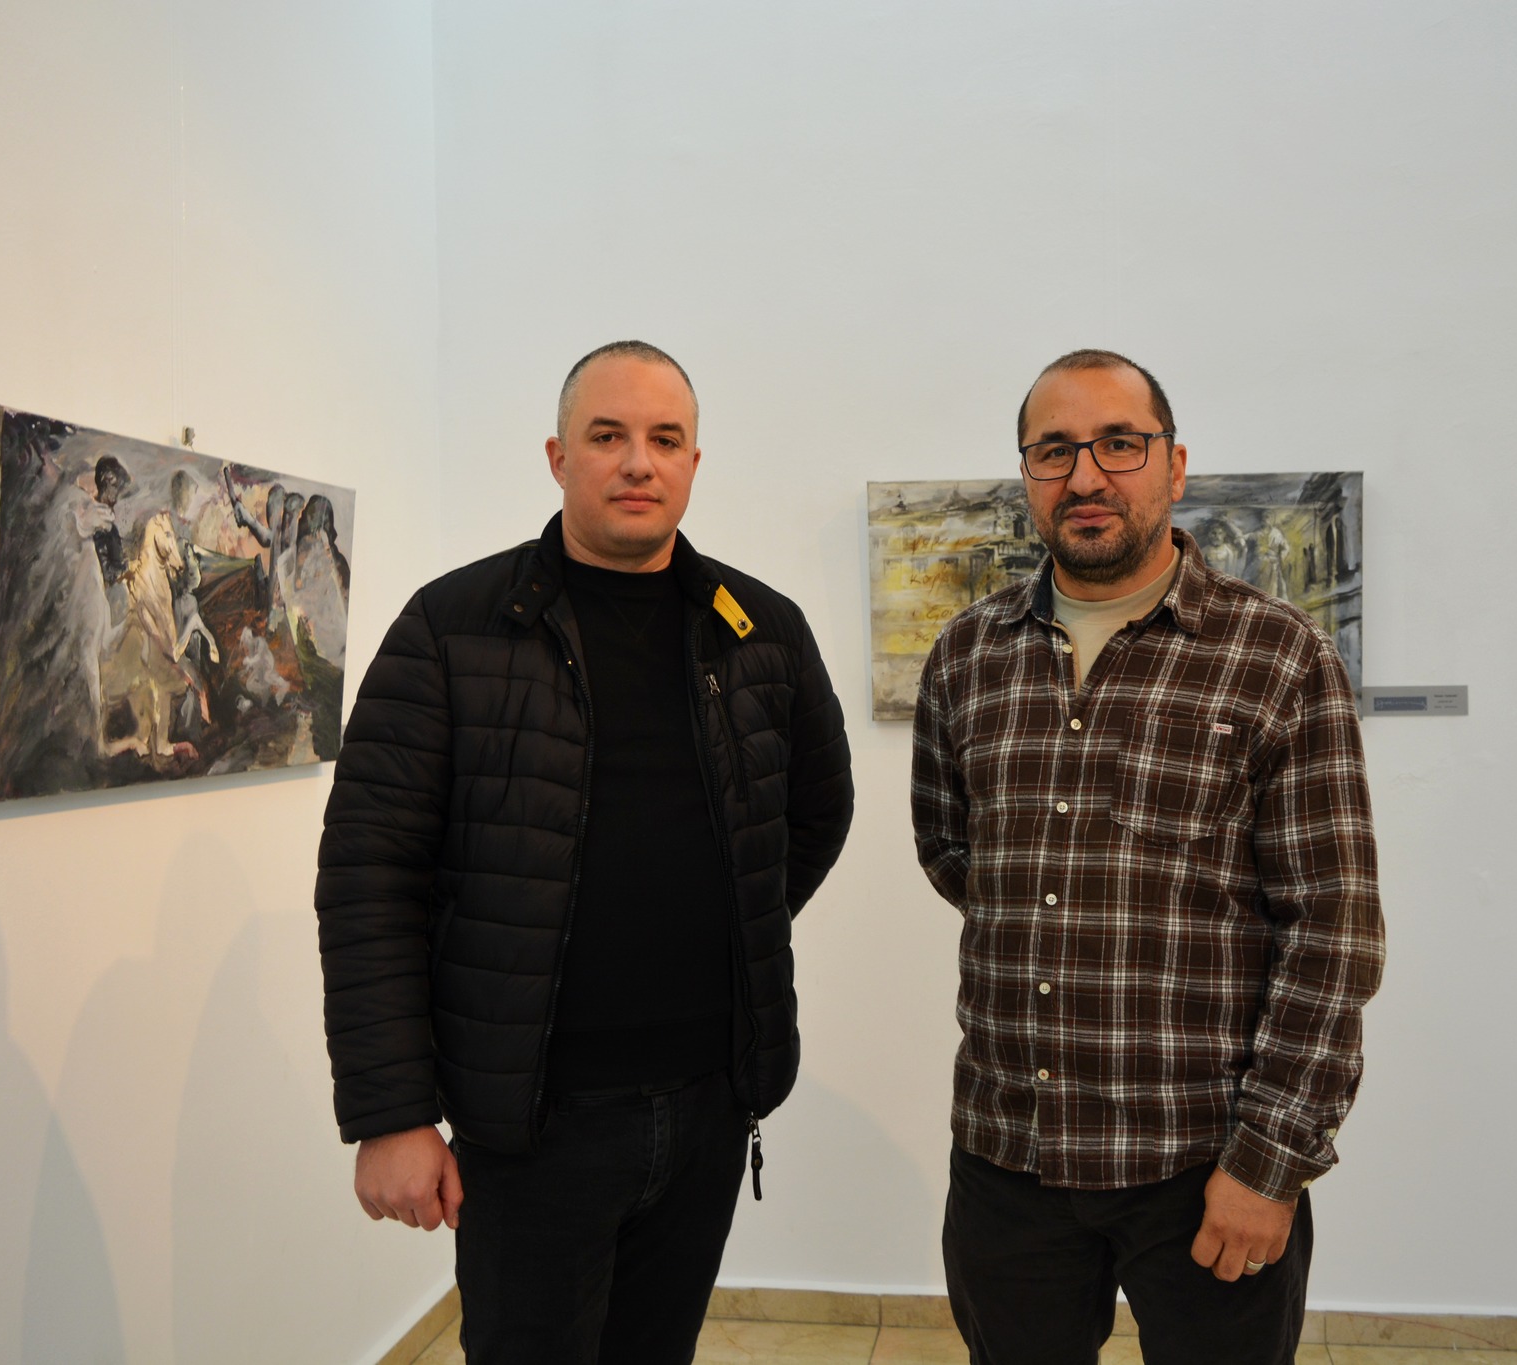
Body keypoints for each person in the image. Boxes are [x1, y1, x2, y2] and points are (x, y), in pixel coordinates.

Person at [318, 340, 854, 1364]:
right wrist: (392, 1113)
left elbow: (814, 816)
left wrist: (724, 925)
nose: (637, 462)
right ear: (558, 457)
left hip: (707, 1105)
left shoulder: (760, 631)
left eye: (665, 439)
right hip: (530, 1124)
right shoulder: (451, 629)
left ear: (694, 462)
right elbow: (367, 879)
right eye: (608, 436)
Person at [911, 349, 1384, 1365]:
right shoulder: (967, 656)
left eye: (1118, 444)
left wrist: (1269, 1163)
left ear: (1174, 466)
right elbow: (954, 853)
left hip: (1201, 1162)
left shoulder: (1277, 657)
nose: (1085, 475)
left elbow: (1332, 934)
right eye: (1053, 451)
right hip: (1008, 1155)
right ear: (1027, 474)